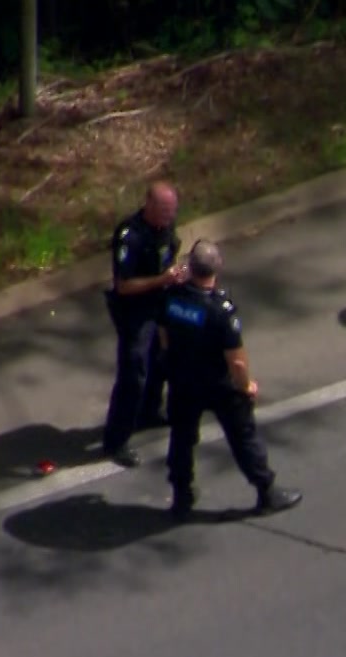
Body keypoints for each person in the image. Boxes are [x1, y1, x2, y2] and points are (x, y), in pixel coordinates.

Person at [153, 240, 303, 521]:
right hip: (218, 384)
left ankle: (181, 496)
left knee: (182, 437)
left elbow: (163, 333)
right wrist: (246, 386)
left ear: (190, 266)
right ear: (217, 268)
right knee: (243, 437)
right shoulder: (220, 310)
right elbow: (235, 360)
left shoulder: (172, 296)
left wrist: (170, 359)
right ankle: (266, 491)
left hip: (183, 379)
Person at [98, 181, 185, 467]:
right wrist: (163, 279)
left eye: (172, 212)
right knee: (133, 372)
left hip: (160, 300)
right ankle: (115, 440)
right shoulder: (130, 235)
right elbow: (123, 285)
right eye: (163, 211)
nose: (168, 217)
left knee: (163, 357)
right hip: (134, 309)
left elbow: (168, 255)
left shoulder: (166, 228)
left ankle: (149, 410)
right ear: (148, 204)